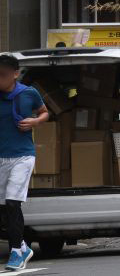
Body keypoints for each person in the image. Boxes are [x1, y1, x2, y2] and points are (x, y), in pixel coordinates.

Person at [0, 54, 48, 270]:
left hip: (22, 155)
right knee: (4, 207)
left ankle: (15, 253)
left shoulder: (29, 93)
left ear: (15, 74)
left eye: (3, 75)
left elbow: (44, 112)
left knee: (12, 202)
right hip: (1, 156)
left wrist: (35, 122)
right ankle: (22, 246)